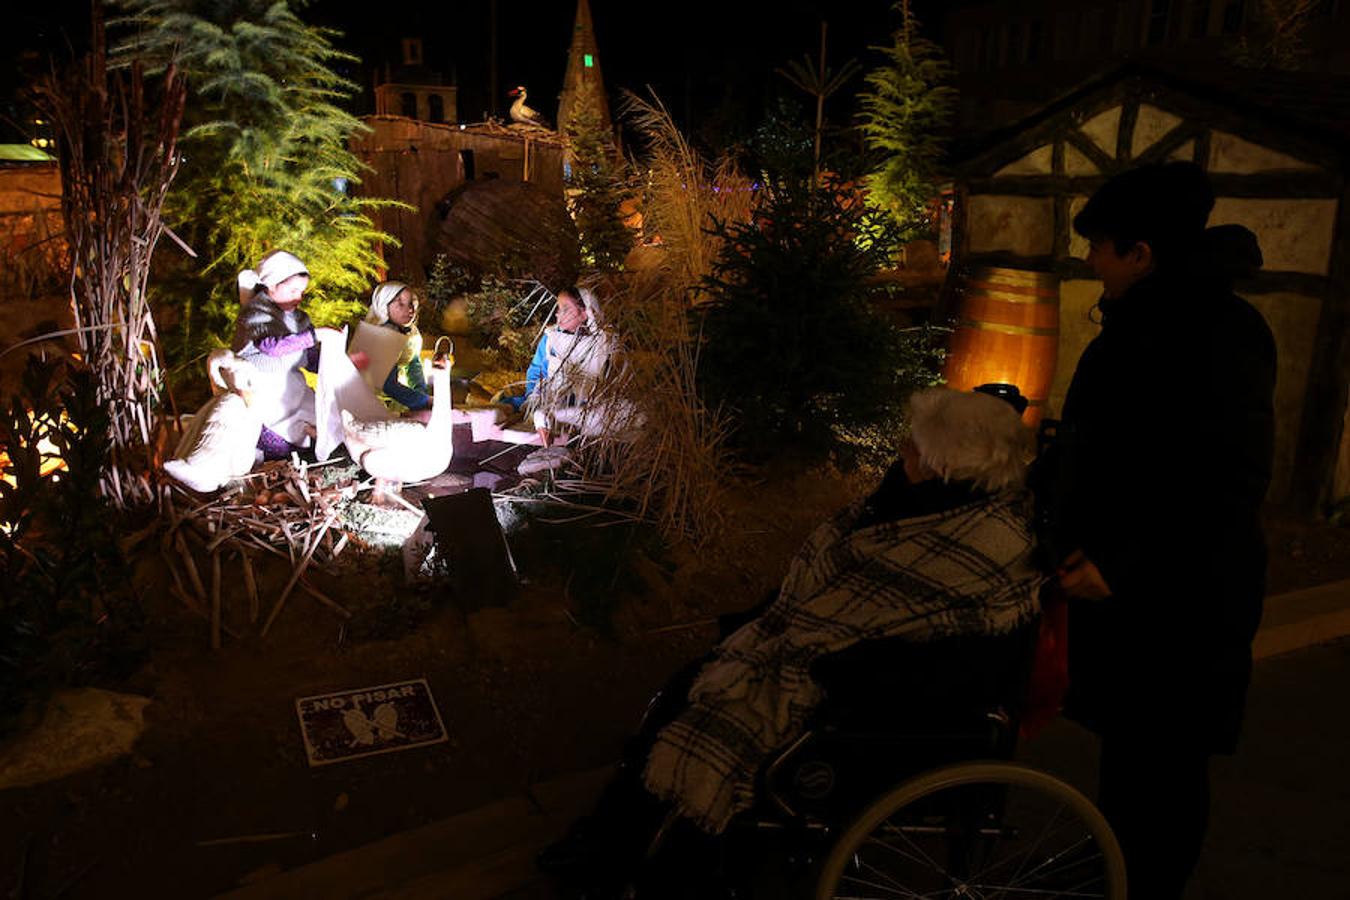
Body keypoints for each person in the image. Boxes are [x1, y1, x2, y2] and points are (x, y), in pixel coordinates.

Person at [540, 387, 1043, 889]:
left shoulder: (985, 542)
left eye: (913, 445)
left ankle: (660, 859)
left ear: (945, 463)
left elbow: (946, 656)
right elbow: (837, 577)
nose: (901, 449)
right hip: (818, 646)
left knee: (713, 719)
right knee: (685, 688)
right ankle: (614, 832)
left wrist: (822, 659)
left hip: (871, 691)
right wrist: (772, 618)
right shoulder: (911, 499)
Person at [1051, 161, 1276, 899]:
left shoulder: (1215, 334)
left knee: (1166, 764)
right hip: (1143, 589)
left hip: (1183, 596)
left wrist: (1120, 560)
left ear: (1142, 252)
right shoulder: (1148, 322)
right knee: (1133, 754)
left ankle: (1143, 885)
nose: (1089, 260)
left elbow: (1215, 477)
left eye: (1100, 246)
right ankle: (1119, 870)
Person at [231, 250, 320, 460]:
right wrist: (314, 336)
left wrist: (338, 363)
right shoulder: (255, 313)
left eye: (302, 292)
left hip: (292, 388)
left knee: (320, 421)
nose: (299, 297)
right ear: (272, 285)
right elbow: (272, 346)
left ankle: (306, 464)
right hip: (264, 391)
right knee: (279, 441)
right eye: (293, 290)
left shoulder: (299, 319)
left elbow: (310, 356)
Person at [501, 286, 615, 447]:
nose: (557, 314)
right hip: (552, 396)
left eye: (565, 309)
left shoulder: (600, 343)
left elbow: (604, 377)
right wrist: (532, 396)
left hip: (586, 401)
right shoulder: (551, 338)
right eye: (558, 308)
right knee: (541, 411)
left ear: (585, 313)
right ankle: (544, 421)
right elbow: (536, 370)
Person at [364, 281, 431, 413]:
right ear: (384, 305)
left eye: (411, 303)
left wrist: (421, 394)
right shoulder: (382, 336)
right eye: (400, 303)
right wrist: (424, 401)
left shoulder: (410, 332)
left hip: (395, 398)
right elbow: (387, 384)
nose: (410, 309)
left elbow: (413, 363)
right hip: (369, 401)